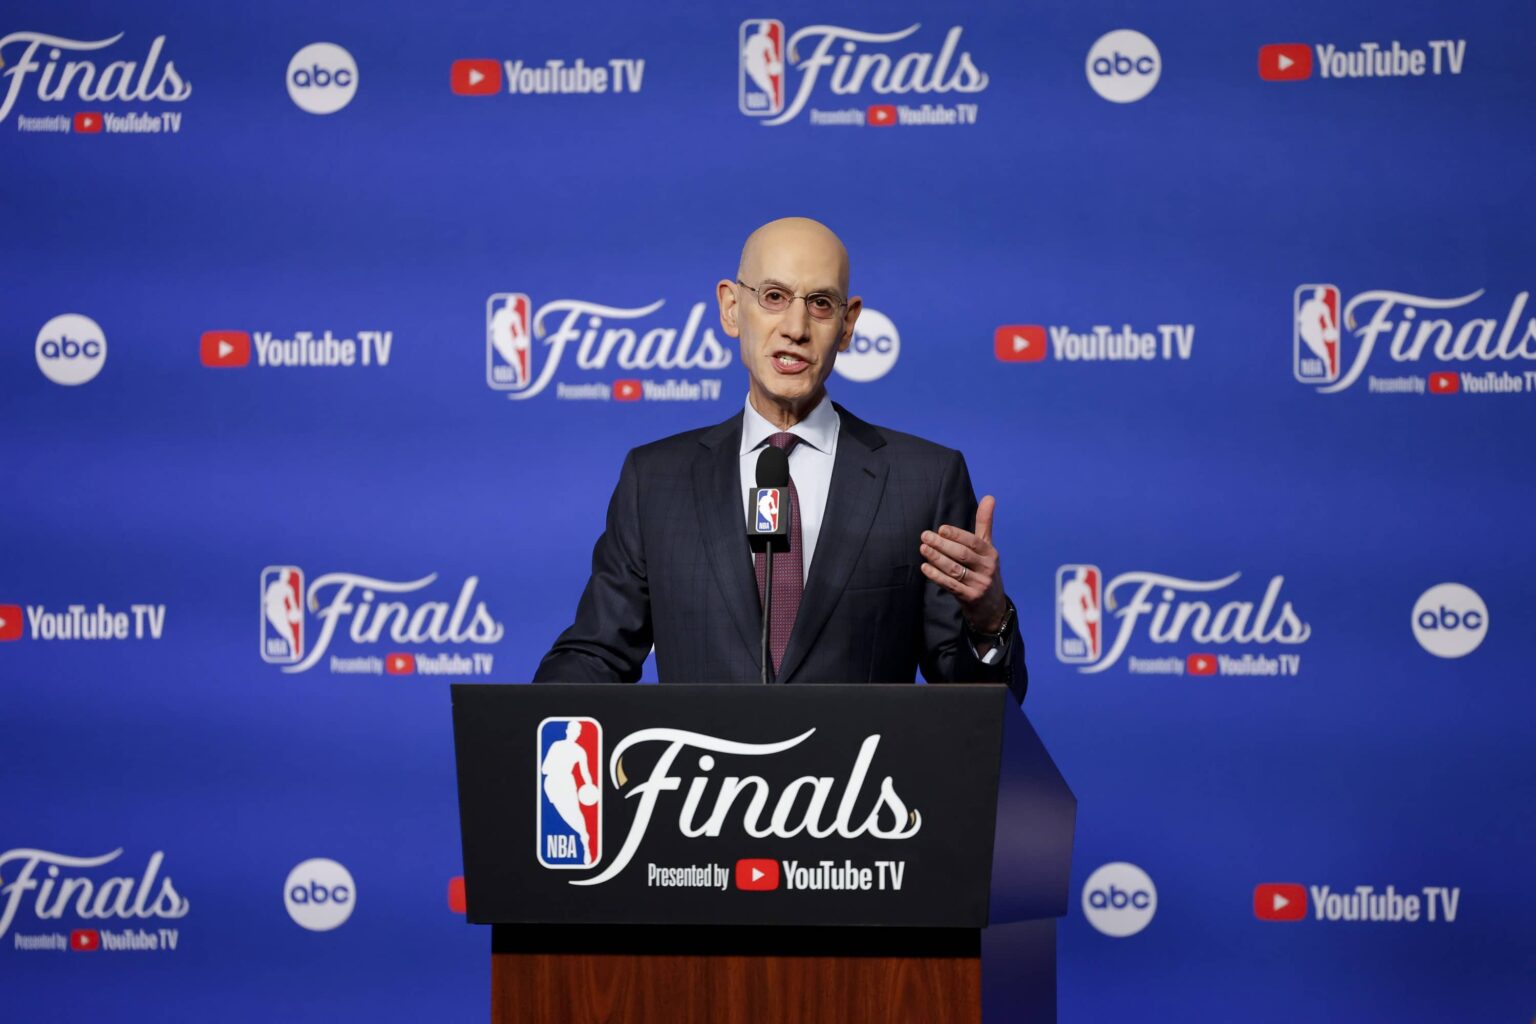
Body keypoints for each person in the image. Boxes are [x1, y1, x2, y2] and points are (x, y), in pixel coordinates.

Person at [533, 217, 1025, 703]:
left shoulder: (924, 480)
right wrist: (520, 725)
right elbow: (597, 655)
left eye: (820, 303)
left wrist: (989, 623)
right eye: (773, 297)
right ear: (731, 308)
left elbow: (973, 707)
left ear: (848, 324)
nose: (795, 328)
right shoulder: (655, 481)